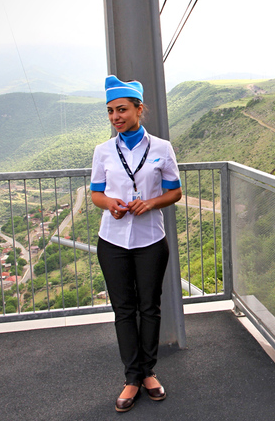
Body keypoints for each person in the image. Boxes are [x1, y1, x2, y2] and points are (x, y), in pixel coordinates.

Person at [89, 75, 183, 412]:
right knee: (124, 311)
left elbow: (175, 190)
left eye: (122, 110)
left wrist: (152, 203)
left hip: (150, 240)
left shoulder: (161, 148)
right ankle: (131, 378)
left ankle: (148, 373)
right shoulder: (103, 151)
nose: (115, 117)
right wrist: (110, 203)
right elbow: (96, 193)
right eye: (111, 111)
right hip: (112, 241)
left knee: (150, 307)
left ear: (139, 110)